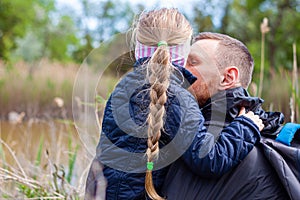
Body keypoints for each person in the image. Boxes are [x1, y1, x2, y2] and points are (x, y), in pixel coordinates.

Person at [84, 10, 264, 200]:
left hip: (100, 191)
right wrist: (246, 127)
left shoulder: (123, 87)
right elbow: (208, 158)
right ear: (183, 50)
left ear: (138, 46)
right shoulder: (178, 96)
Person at [162, 32, 300, 199]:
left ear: (227, 78)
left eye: (193, 62)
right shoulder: (187, 133)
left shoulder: (239, 149)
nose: (180, 68)